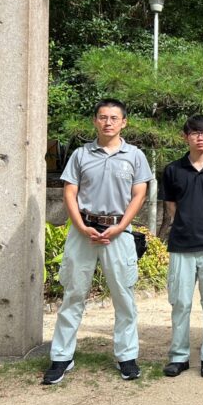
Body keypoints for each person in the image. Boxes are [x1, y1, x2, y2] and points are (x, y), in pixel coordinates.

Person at [42, 99, 152, 385]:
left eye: (114, 118)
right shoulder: (81, 154)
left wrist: (121, 226)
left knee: (124, 297)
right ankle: (62, 357)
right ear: (95, 121)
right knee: (73, 294)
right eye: (103, 117)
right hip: (83, 231)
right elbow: (69, 192)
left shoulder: (135, 155)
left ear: (124, 122)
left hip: (119, 232)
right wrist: (80, 225)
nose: (108, 122)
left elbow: (139, 194)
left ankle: (127, 356)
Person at [158, 115, 203, 378]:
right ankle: (179, 356)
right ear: (185, 137)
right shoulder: (173, 170)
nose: (199, 138)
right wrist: (186, 224)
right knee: (180, 302)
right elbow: (171, 204)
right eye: (194, 133)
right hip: (182, 244)